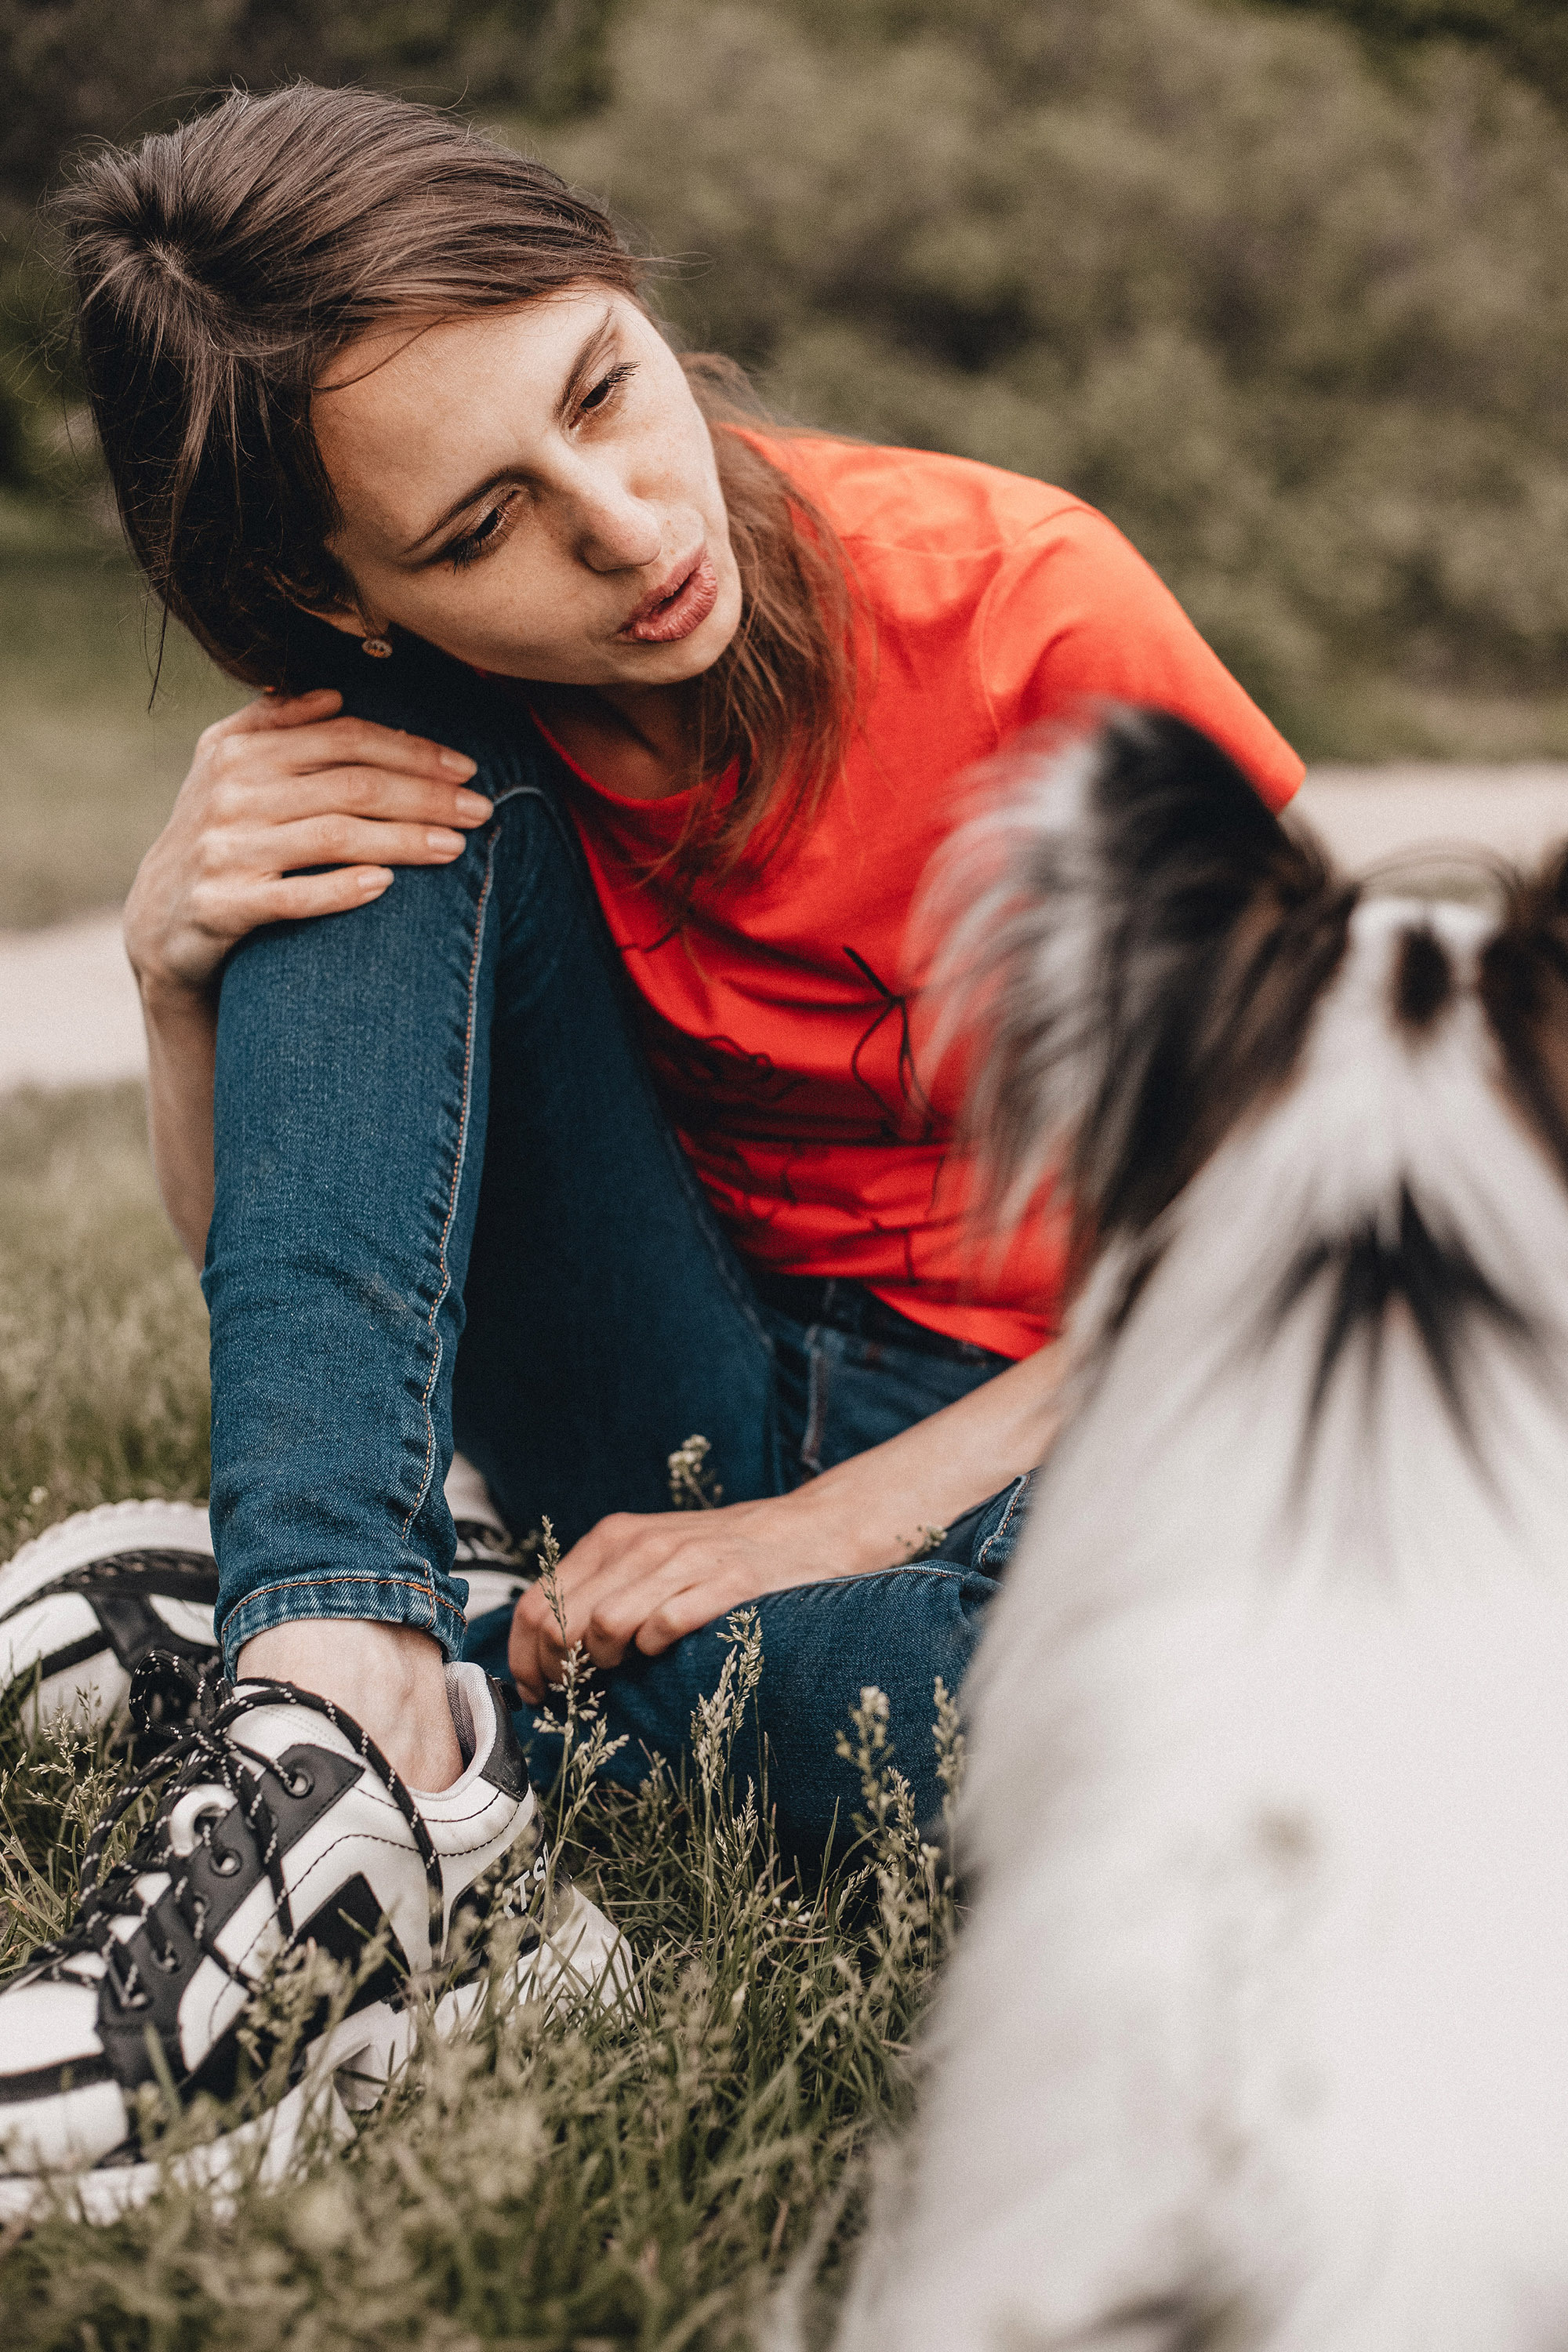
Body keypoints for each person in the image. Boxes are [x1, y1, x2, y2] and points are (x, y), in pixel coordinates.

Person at [0, 82, 1301, 2204]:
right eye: (474, 532)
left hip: (1094, 1442)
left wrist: (825, 1531)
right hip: (684, 1391)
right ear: (342, 594)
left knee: (1182, 1787)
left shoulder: (1030, 612)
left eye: (604, 386)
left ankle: (440, 1691)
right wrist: (174, 980)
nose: (620, 520)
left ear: (618, 284)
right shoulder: (421, 717)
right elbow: (327, 1280)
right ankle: (329, 1689)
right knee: (363, 812)